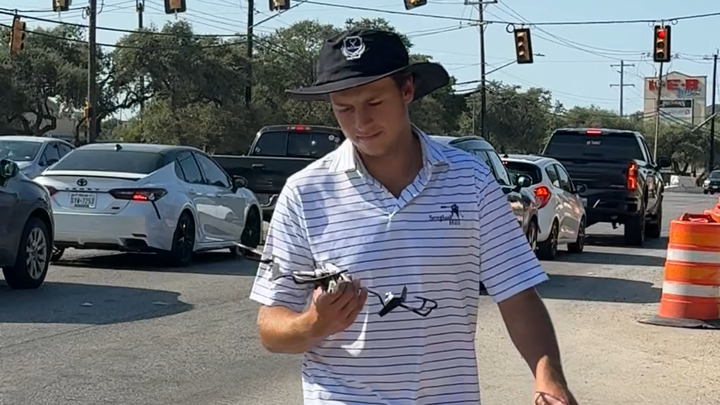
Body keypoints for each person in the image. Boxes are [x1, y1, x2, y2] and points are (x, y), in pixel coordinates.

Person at [249, 28, 578, 405]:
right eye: (344, 109)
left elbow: (517, 295)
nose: (360, 122)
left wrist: (548, 376)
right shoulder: (304, 193)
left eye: (374, 102)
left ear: (406, 90)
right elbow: (270, 328)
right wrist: (313, 324)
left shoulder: (470, 180)